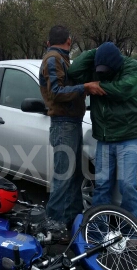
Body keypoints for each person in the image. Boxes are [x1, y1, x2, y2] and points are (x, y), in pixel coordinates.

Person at [68, 42, 137, 218]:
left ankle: (130, 231)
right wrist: (96, 52)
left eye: (106, 69)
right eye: (99, 69)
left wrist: (96, 86)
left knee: (127, 185)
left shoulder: (131, 66)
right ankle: (98, 230)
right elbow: (73, 72)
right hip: (104, 137)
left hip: (129, 136)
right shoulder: (97, 67)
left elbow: (123, 90)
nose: (102, 73)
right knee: (102, 185)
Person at [38, 25, 101, 237]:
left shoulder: (59, 58)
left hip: (71, 122)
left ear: (49, 41)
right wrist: (84, 87)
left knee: (74, 175)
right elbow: (56, 92)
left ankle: (73, 219)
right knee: (63, 176)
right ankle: (53, 222)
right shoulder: (54, 59)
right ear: (69, 40)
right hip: (63, 123)